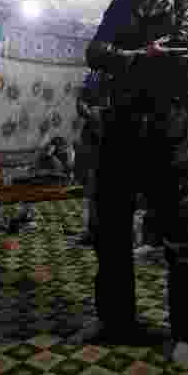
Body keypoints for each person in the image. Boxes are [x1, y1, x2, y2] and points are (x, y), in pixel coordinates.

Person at [78, 0, 188, 368]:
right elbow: (94, 52)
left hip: (167, 132)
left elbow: (187, 43)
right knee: (111, 234)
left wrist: (129, 53)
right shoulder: (120, 2)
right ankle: (115, 320)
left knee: (179, 239)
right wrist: (138, 55)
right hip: (119, 132)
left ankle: (185, 334)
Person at [75, 69, 111, 246]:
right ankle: (93, 230)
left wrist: (105, 114)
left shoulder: (128, 70)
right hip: (94, 137)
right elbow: (80, 102)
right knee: (93, 187)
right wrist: (91, 113)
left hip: (116, 136)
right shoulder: (93, 76)